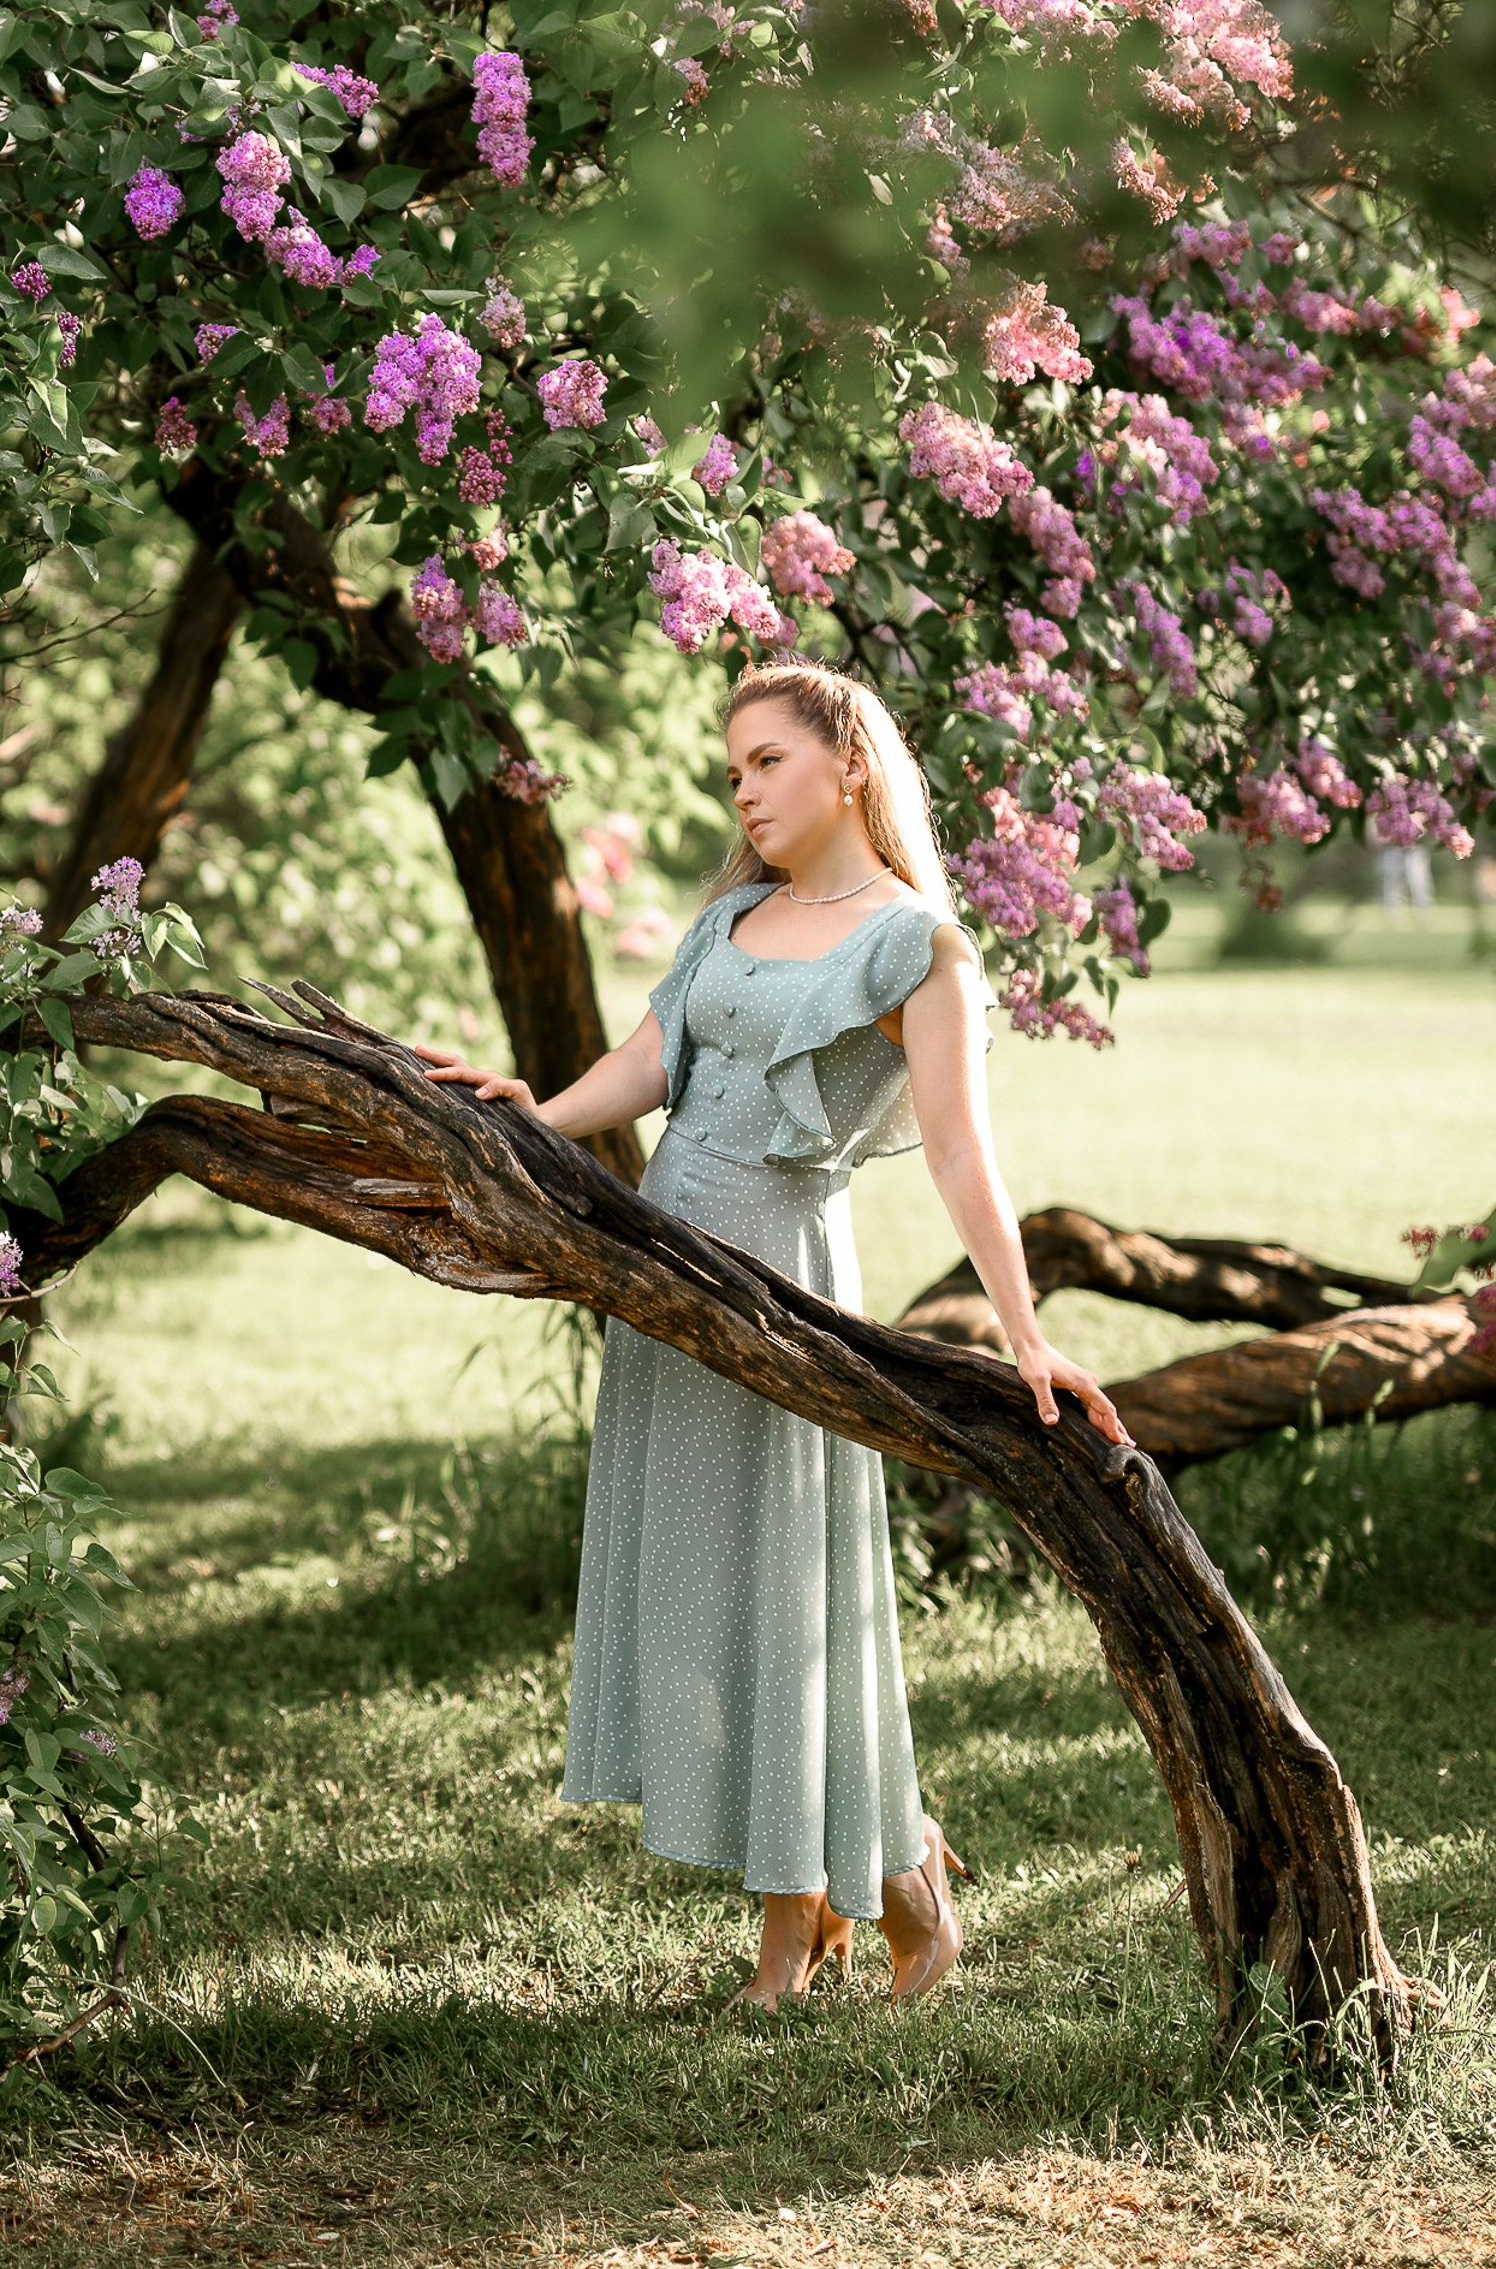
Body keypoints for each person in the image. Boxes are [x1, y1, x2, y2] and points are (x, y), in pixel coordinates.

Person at [412, 660, 1128, 2010]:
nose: (743, 788)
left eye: (768, 760)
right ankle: (858, 1889)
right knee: (704, 1597)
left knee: (788, 1600)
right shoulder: (732, 917)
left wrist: (1025, 1335)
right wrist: (533, 1112)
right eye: (732, 767)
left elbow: (962, 1153)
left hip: (783, 1288)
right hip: (664, 1277)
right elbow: (651, 1066)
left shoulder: (915, 946)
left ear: (849, 762)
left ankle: (842, 1918)